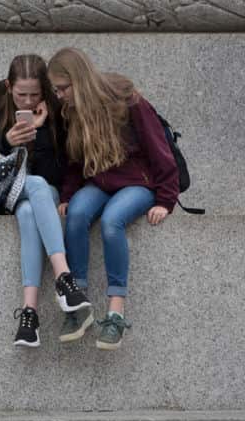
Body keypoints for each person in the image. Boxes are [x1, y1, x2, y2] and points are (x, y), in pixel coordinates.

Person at [48, 47, 179, 349]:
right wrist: (68, 195)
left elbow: (159, 149)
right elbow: (75, 162)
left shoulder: (125, 99)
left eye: (63, 88)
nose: (59, 95)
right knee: (77, 214)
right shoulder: (71, 110)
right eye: (56, 90)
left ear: (79, 81)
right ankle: (78, 303)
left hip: (138, 184)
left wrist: (165, 199)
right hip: (100, 181)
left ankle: (116, 313)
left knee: (111, 221)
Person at [0, 54, 91, 347]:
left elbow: (63, 169)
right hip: (3, 193)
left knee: (29, 209)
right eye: (20, 94)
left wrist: (37, 135)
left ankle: (29, 313)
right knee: (34, 186)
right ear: (8, 85)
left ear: (45, 91)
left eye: (34, 94)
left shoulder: (57, 114)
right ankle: (64, 276)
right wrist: (6, 143)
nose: (26, 101)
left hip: (40, 195)